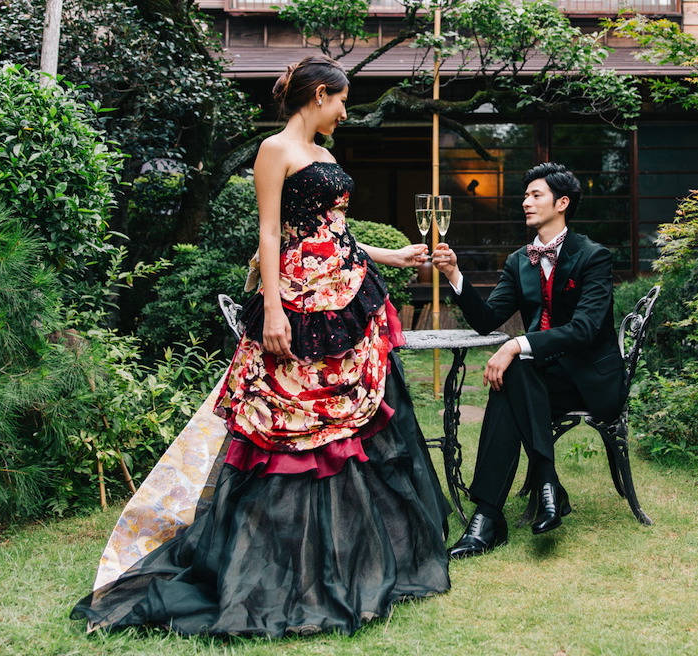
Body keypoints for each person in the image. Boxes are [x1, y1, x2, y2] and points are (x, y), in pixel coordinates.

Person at [71, 55, 451, 637]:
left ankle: (352, 558)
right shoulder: (275, 150)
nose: (345, 113)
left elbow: (336, 235)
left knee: (352, 427)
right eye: (342, 101)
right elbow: (270, 232)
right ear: (319, 94)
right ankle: (278, 567)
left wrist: (393, 256)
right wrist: (273, 310)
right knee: (290, 429)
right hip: (297, 303)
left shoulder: (324, 155)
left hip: (345, 298)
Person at [432, 162, 625, 558]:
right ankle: (538, 488)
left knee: (514, 371)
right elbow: (487, 320)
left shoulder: (593, 256)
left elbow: (586, 329)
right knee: (515, 376)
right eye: (525, 196)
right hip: (541, 378)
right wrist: (454, 274)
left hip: (588, 380)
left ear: (562, 203)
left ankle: (491, 518)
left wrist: (516, 345)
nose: (526, 202)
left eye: (536, 195)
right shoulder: (520, 260)